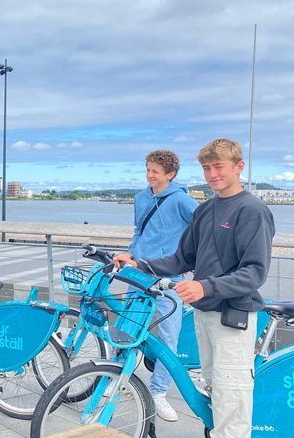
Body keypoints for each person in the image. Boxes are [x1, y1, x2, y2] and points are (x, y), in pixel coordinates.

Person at [117, 139, 274, 438]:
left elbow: (255, 273)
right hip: (204, 312)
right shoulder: (206, 209)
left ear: (239, 167)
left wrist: (205, 286)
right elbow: (183, 258)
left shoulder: (252, 210)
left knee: (232, 398)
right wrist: (140, 265)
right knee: (215, 391)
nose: (212, 174)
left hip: (232, 316)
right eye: (206, 168)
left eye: (219, 167)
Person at [113, 150, 198, 421]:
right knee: (125, 327)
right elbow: (139, 230)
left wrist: (191, 265)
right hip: (138, 272)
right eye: (148, 170)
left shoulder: (183, 200)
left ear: (170, 174)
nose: (150, 175)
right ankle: (114, 377)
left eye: (156, 172)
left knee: (169, 336)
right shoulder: (140, 198)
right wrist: (130, 253)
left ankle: (159, 392)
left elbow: (201, 232)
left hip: (169, 278)